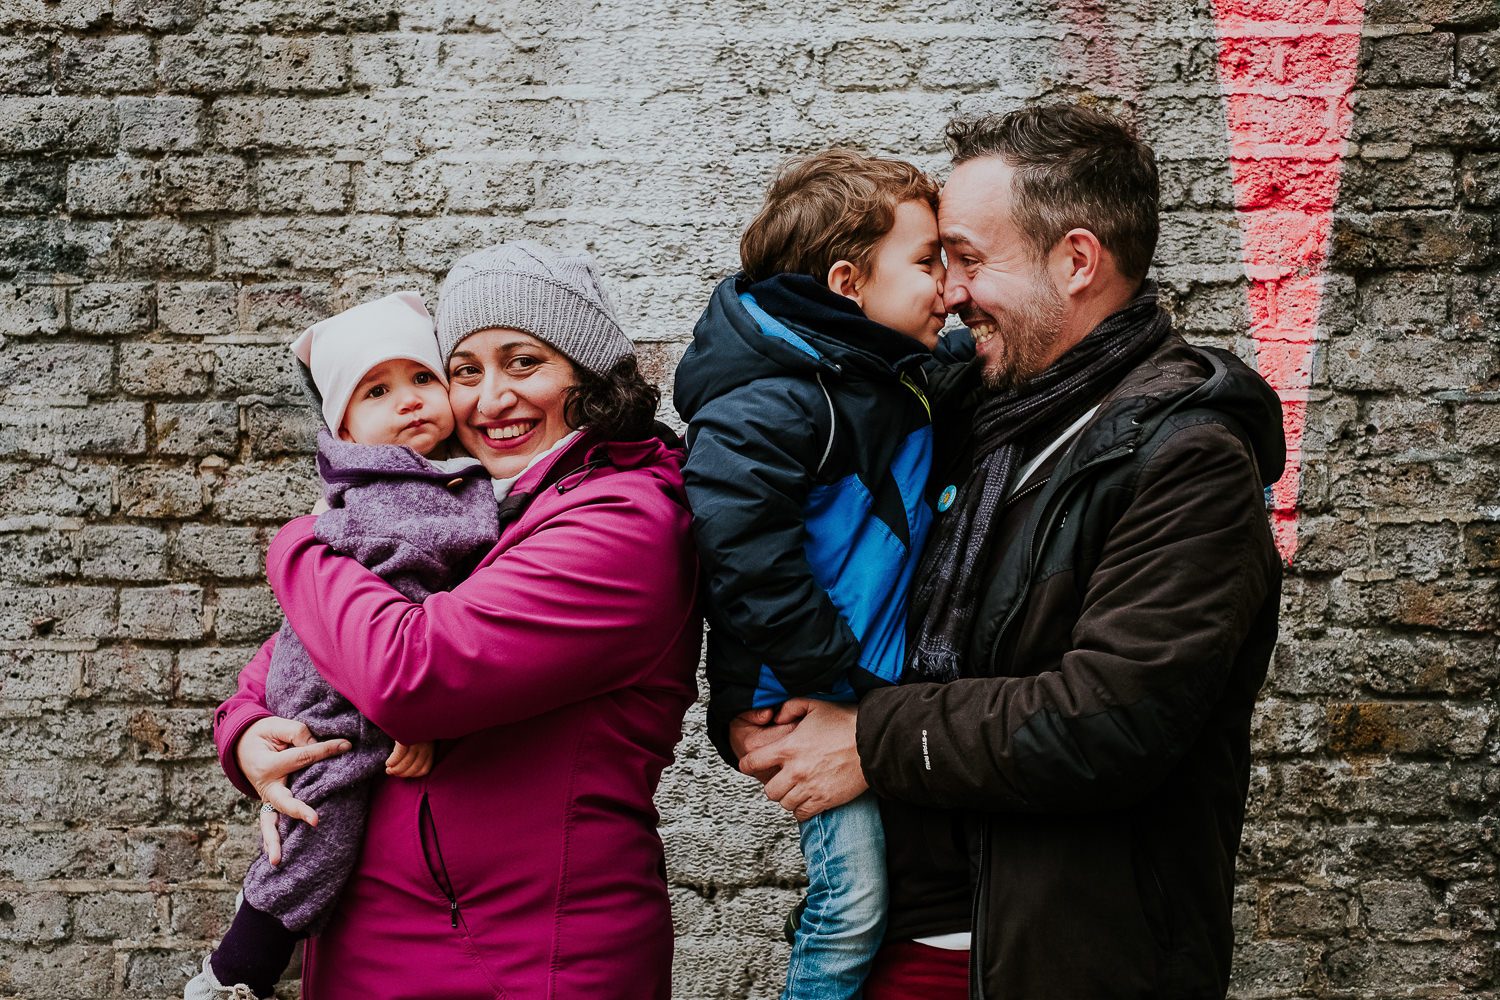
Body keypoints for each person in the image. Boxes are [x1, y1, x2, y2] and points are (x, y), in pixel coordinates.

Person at [735, 104, 1286, 999]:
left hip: (1057, 964)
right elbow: (783, 480)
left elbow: (1108, 717)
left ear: (1076, 261)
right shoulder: (953, 408)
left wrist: (871, 741)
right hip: (890, 947)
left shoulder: (1188, 461)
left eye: (968, 258)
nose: (948, 291)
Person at [211, 242, 700, 1000]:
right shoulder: (482, 508)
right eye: (465, 372)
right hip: (385, 942)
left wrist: (300, 543)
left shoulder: (621, 522)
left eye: (523, 363)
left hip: (523, 957)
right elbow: (301, 652)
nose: (489, 400)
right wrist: (246, 733)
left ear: (590, 375)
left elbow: (411, 675)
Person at [674, 149, 958, 1000]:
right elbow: (737, 541)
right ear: (847, 282)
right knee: (854, 898)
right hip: (802, 693)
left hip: (851, 686)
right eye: (926, 262)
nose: (946, 286)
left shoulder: (874, 372)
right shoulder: (780, 398)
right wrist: (831, 672)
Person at [188, 291, 499, 999]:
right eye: (378, 390)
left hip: (349, 665)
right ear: (346, 427)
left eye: (424, 378)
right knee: (320, 813)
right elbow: (407, 614)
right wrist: (409, 718)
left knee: (314, 812)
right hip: (336, 686)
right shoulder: (400, 493)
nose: (412, 401)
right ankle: (235, 972)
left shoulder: (429, 481)